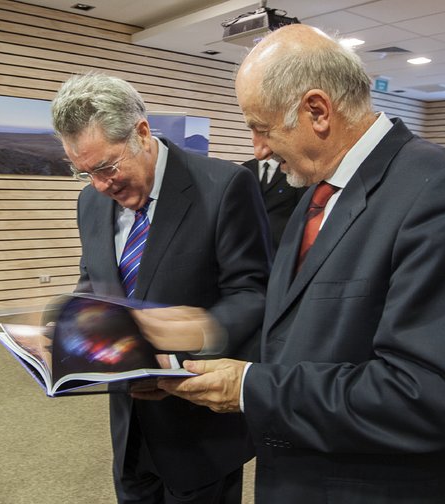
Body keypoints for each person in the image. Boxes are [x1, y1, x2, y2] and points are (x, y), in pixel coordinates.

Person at [157, 25, 445, 503]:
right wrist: (191, 363)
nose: (257, 148)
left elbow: (428, 397)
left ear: (316, 111)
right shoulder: (316, 193)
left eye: (261, 127)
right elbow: (299, 339)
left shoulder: (443, 191)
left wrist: (250, 388)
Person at [51, 72, 271, 504]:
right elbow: (91, 282)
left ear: (142, 132)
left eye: (107, 167)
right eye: (84, 173)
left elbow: (254, 294)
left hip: (200, 424)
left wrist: (178, 349)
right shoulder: (91, 201)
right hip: (129, 422)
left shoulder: (224, 187)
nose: (100, 186)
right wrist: (63, 332)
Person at [242, 157, 307, 251]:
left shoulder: (294, 170)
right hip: (248, 243)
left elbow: (303, 208)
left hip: (283, 243)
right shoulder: (245, 169)